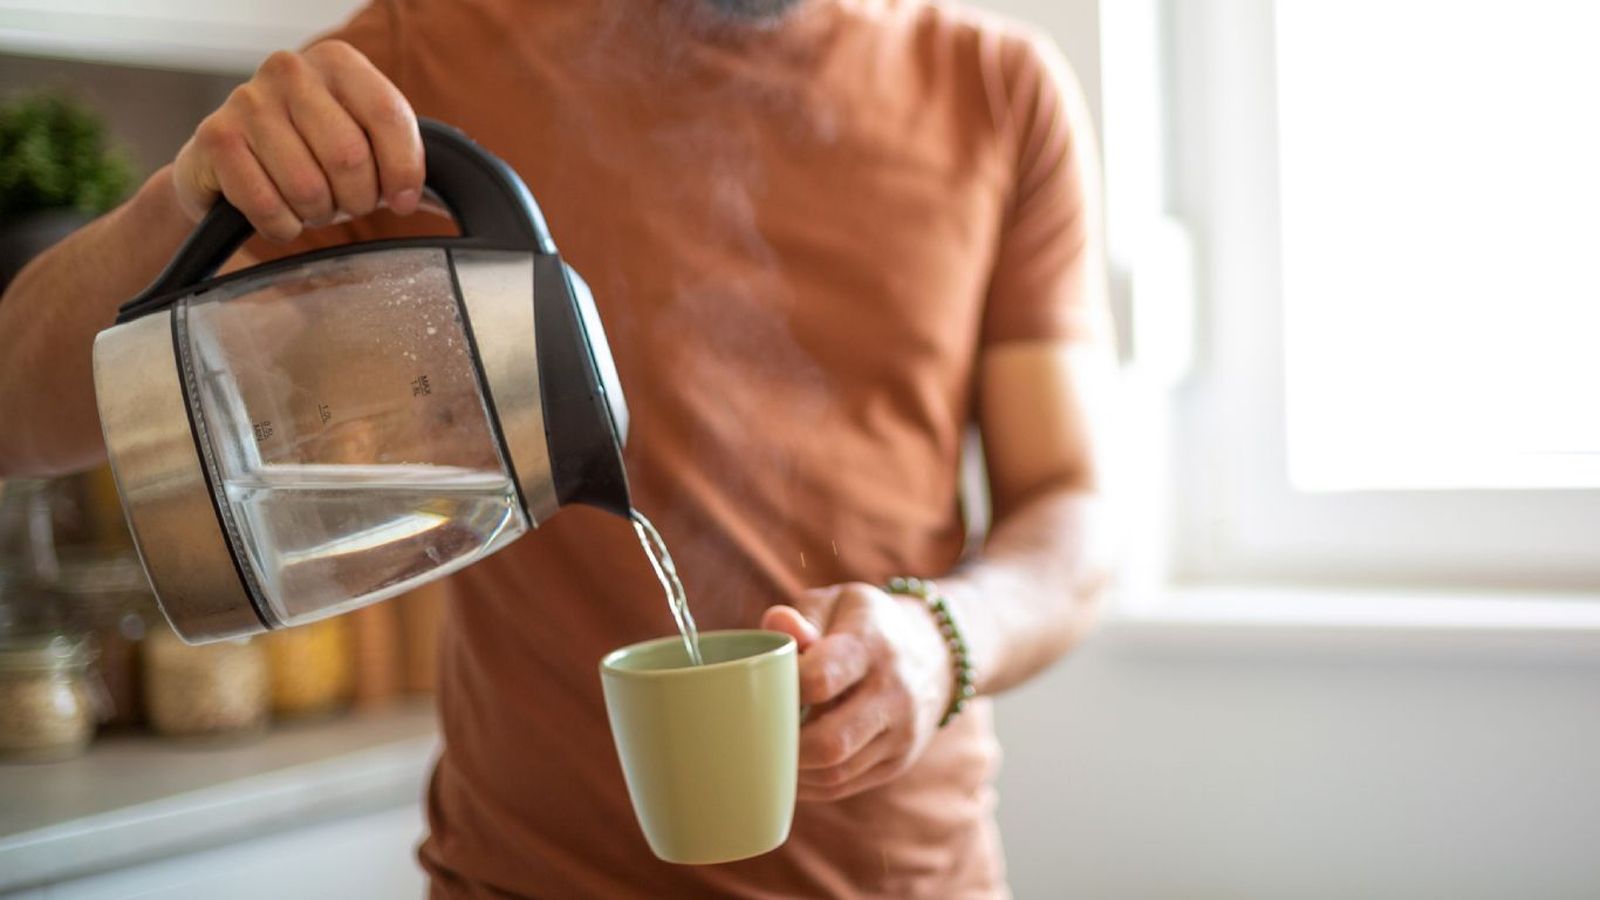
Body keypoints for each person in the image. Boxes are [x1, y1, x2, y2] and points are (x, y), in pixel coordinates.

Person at [0, 0, 1113, 895]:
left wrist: (942, 638)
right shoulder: (423, 58)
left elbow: (1074, 513)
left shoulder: (997, 91)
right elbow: (14, 415)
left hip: (911, 880)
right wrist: (183, 202)